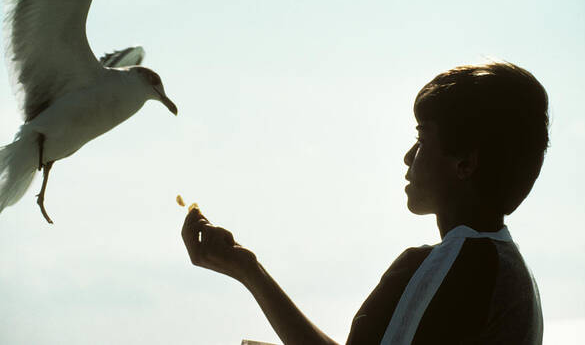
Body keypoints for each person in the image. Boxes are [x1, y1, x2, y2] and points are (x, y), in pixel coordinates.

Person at [181, 61, 548, 345]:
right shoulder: (508, 271)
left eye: (422, 139)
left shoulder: (450, 264)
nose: (408, 156)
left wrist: (249, 272)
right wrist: (249, 270)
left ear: (465, 163)